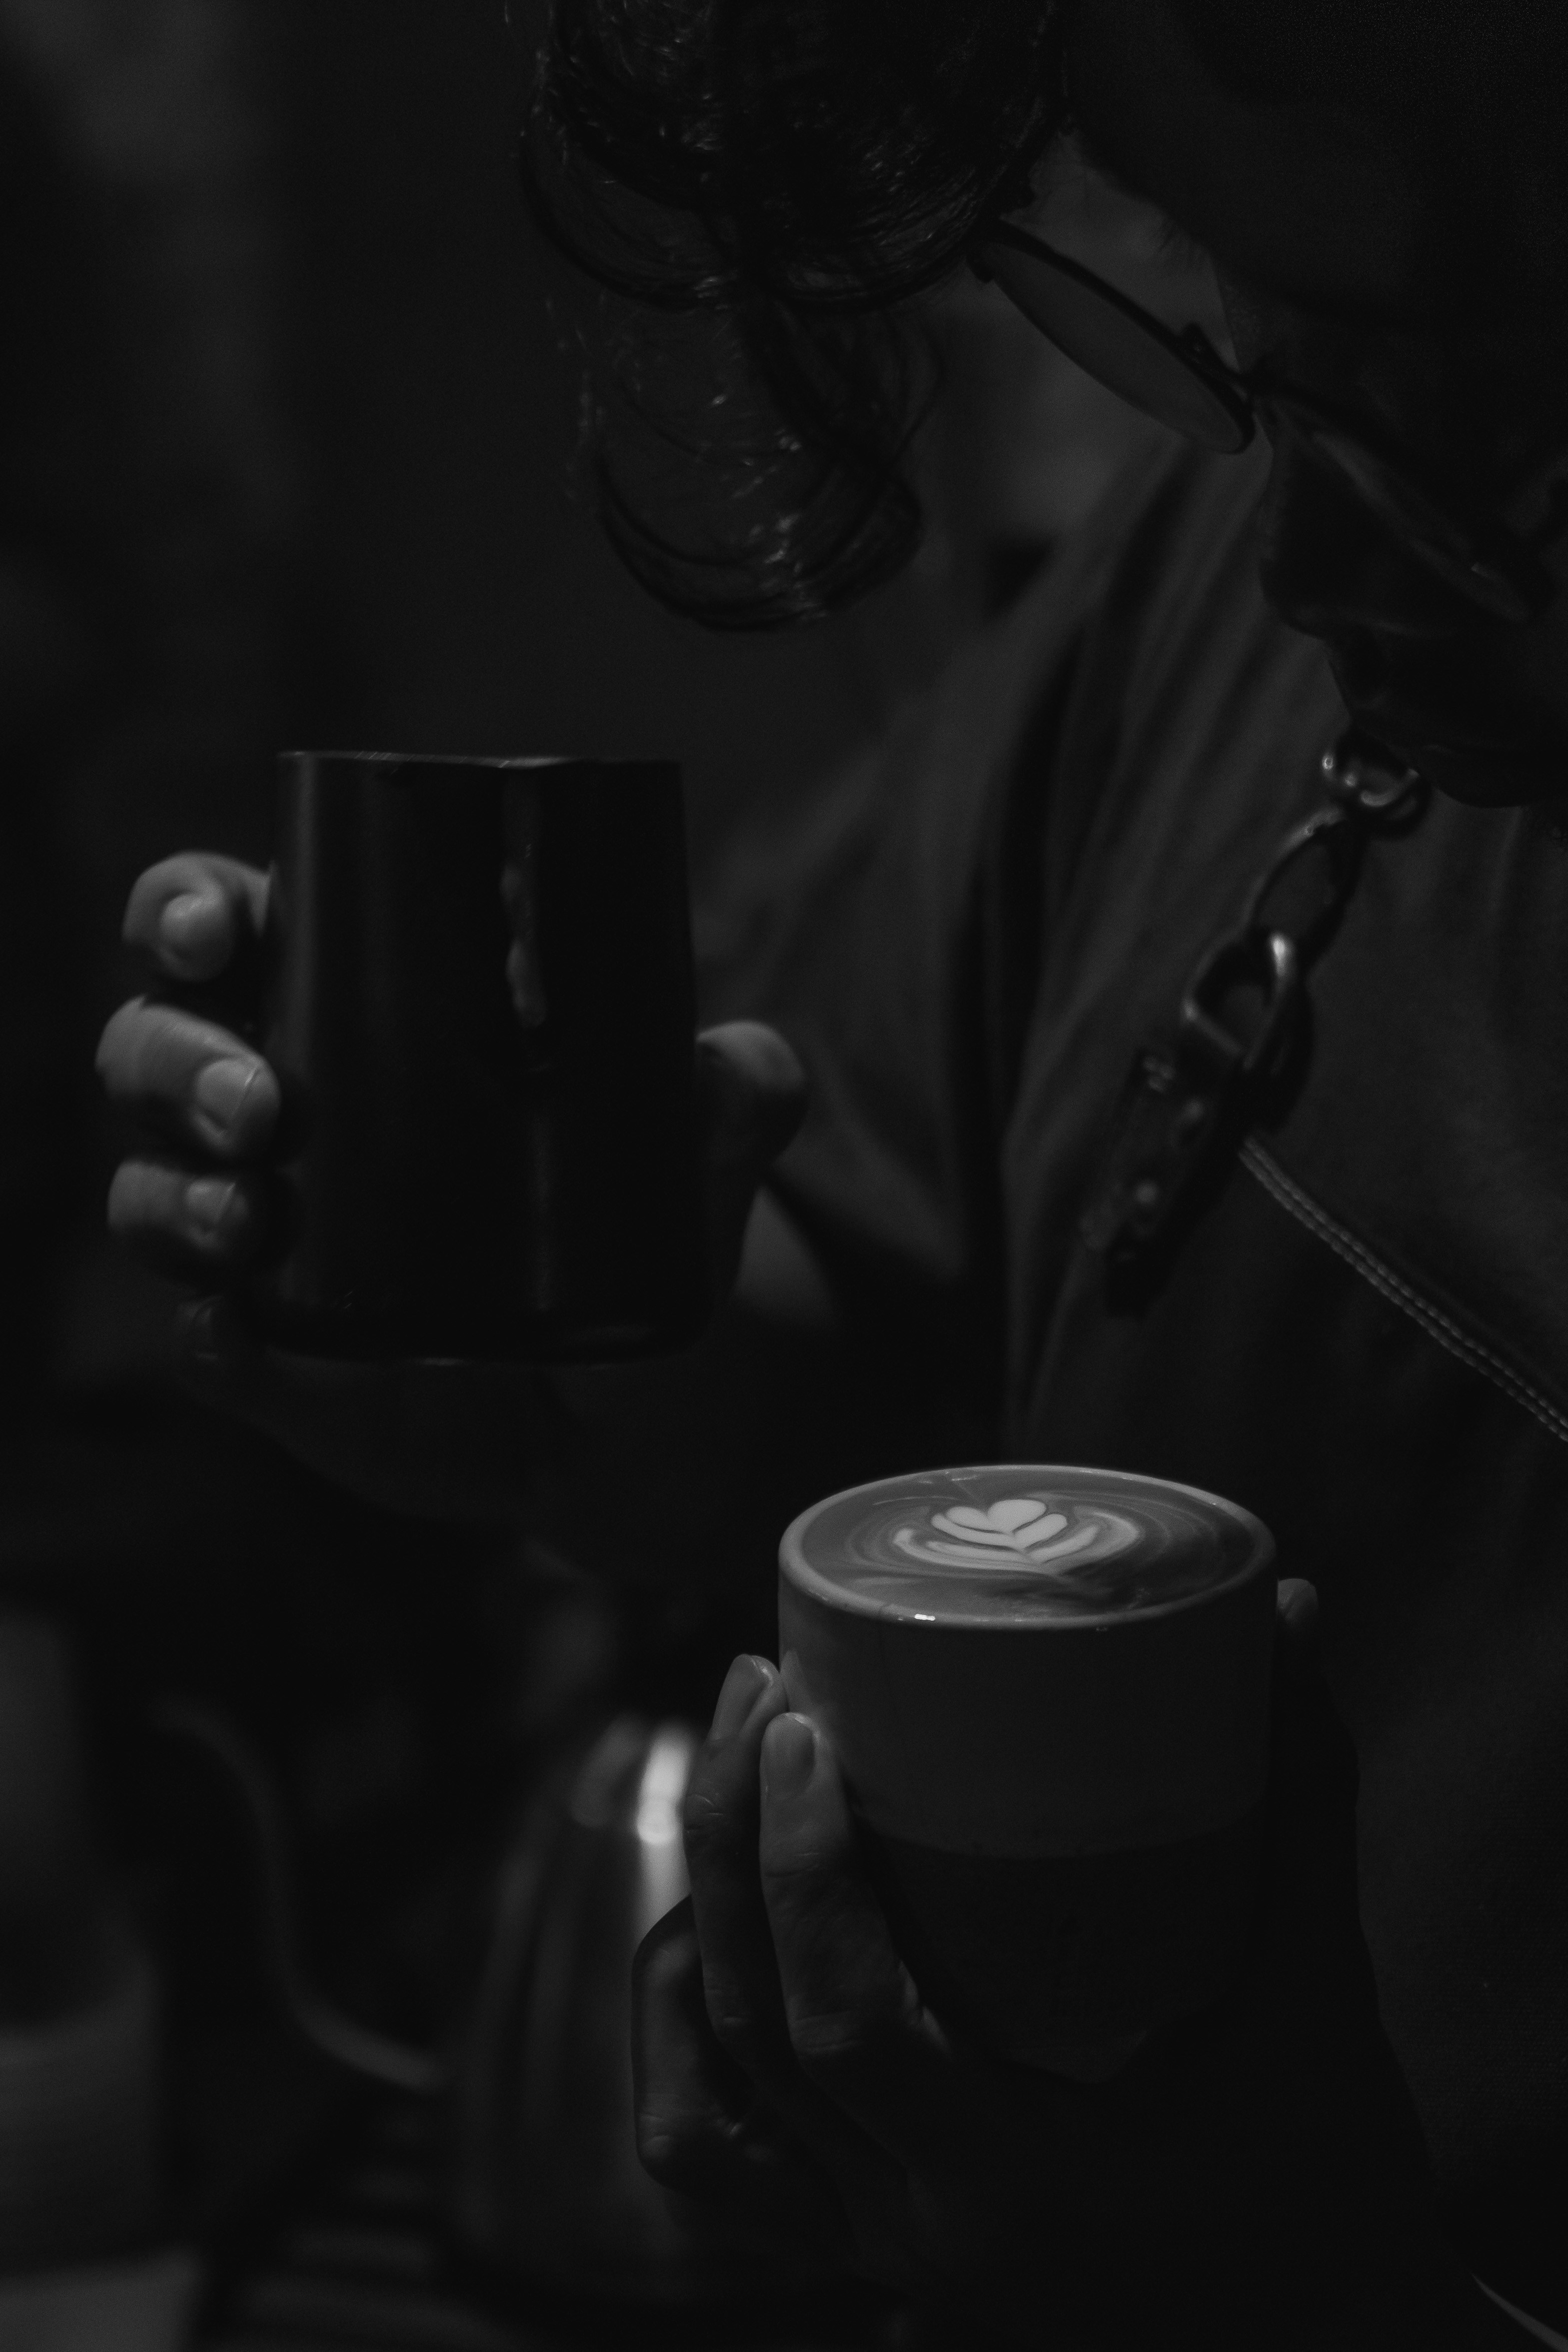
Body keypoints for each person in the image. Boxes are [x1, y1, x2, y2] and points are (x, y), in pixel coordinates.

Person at [95, 0, 1568, 2341]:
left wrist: (1288, 2300)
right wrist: (586, 1379)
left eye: (1435, 381)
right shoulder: (1236, 570)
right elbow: (896, 1309)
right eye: (1220, 304)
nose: (1290, 558)